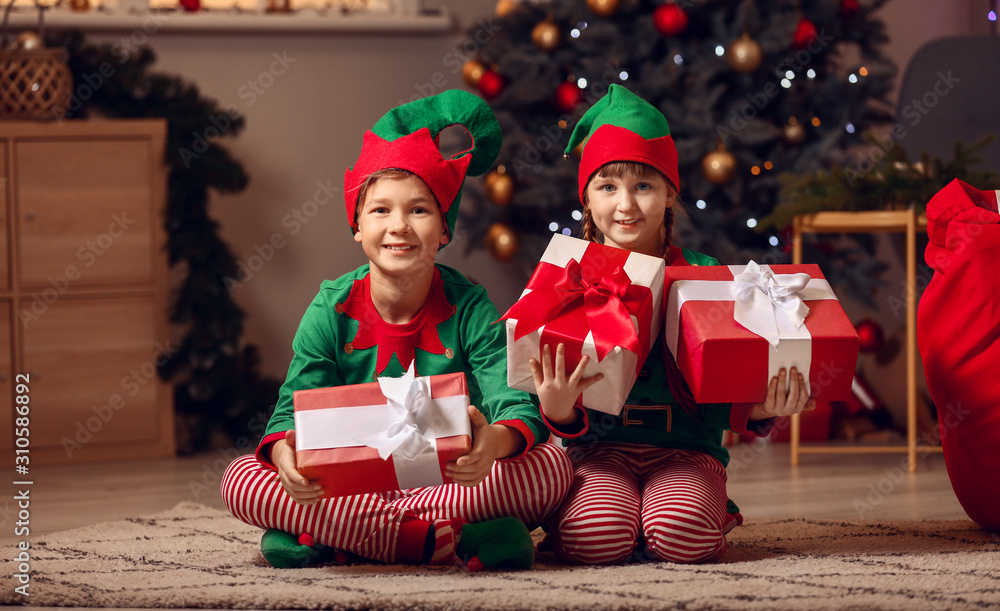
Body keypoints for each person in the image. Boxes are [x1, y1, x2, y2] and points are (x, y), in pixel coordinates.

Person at [221, 89, 571, 570]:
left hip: (450, 481)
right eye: (381, 210)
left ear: (444, 231)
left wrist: (493, 444)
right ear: (357, 227)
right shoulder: (331, 306)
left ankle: (341, 534)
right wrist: (285, 451)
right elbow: (294, 404)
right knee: (241, 478)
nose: (399, 227)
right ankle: (440, 537)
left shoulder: (469, 305)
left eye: (420, 210)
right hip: (354, 483)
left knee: (552, 467)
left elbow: (513, 400)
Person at [530, 84, 815, 565]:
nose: (626, 205)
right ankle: (608, 519)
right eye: (608, 186)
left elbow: (727, 380)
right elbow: (536, 376)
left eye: (643, 185)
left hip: (686, 450)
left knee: (682, 537)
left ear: (669, 195)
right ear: (587, 200)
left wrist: (764, 409)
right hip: (599, 452)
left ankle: (689, 514)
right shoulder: (566, 277)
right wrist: (557, 410)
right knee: (594, 540)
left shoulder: (707, 277)